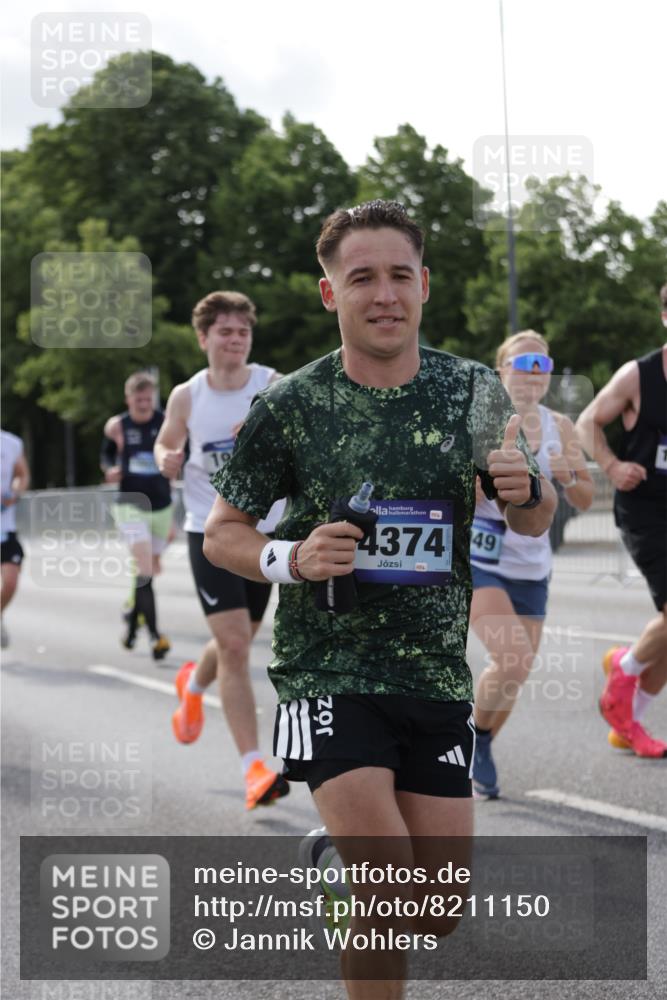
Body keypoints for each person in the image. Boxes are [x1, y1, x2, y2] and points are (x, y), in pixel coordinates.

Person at [203, 200, 556, 998]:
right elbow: (221, 533)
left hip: (432, 673)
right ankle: (360, 883)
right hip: (327, 668)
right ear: (331, 293)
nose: (384, 293)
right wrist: (290, 557)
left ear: (424, 285)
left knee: (433, 911)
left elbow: (534, 514)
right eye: (361, 277)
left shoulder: (472, 391)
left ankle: (341, 878)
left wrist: (526, 489)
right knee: (391, 891)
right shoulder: (292, 404)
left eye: (400, 275)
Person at [154, 290, 289, 811]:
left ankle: (193, 683)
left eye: (243, 332)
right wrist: (169, 456)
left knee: (238, 638)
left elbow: (298, 436)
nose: (236, 341)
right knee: (235, 645)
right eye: (226, 332)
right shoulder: (188, 395)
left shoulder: (271, 383)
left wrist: (266, 430)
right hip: (208, 531)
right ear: (204, 337)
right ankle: (253, 768)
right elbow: (168, 441)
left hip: (264, 535)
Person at [469, 331, 594, 798]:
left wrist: (565, 477)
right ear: (502, 371)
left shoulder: (560, 426)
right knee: (513, 658)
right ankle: (472, 742)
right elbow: (460, 491)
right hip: (482, 559)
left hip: (532, 566)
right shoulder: (480, 419)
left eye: (542, 366)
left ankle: (478, 742)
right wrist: (483, 483)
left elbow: (583, 496)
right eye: (523, 365)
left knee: (516, 675)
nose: (533, 375)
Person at [576, 289, 667, 759]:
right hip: (646, 511)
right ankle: (623, 676)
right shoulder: (639, 375)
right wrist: (611, 466)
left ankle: (627, 719)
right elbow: (587, 422)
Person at [101, 371, 172, 659]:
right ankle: (155, 636)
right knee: (144, 568)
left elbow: (182, 451)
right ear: (128, 399)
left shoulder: (165, 421)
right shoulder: (118, 426)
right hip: (130, 504)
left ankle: (131, 623)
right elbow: (106, 455)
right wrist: (109, 469)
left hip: (162, 505)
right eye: (138, 398)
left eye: (148, 398)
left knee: (148, 569)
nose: (144, 403)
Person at [1, 429, 30, 648]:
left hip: (5, 528)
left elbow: (22, 474)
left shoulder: (11, 442)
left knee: (10, 582)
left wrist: (15, 492)